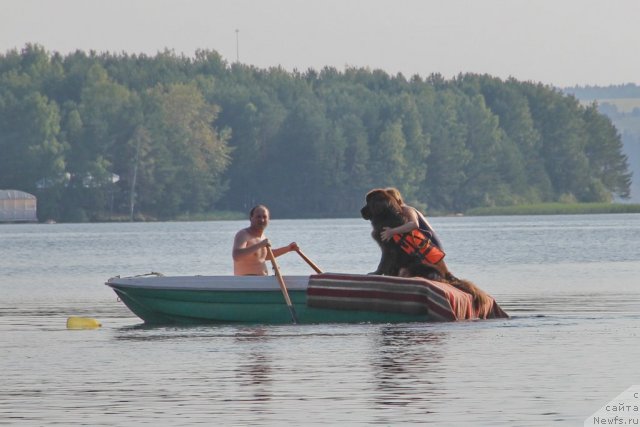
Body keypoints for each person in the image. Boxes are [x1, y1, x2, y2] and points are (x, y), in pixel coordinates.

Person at [232, 204, 299, 276]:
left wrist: (288, 248)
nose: (262, 220)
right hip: (248, 282)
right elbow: (237, 256)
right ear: (251, 218)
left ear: (268, 219)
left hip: (262, 281)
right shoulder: (243, 234)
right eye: (258, 217)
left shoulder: (262, 237)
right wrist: (260, 245)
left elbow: (264, 256)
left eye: (264, 217)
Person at [379, 187, 443, 250]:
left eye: (388, 201)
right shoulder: (398, 214)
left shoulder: (407, 209)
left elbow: (414, 224)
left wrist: (392, 231)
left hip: (433, 247)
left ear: (396, 200)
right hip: (423, 248)